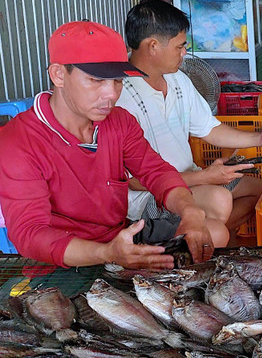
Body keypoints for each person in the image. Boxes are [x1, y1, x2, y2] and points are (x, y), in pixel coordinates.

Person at [0, 21, 220, 269]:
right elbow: (30, 234)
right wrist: (106, 253)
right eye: (96, 80)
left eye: (117, 81)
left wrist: (189, 211)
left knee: (212, 234)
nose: (111, 94)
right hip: (63, 260)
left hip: (118, 239)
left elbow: (156, 172)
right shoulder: (18, 142)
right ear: (59, 75)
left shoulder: (119, 121)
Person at [116, 0, 262, 242]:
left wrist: (259, 138)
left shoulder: (178, 80)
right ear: (152, 47)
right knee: (219, 202)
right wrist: (205, 178)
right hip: (150, 196)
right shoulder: (120, 96)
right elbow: (136, 182)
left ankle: (211, 235)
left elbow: (209, 128)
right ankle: (208, 237)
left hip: (191, 178)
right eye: (179, 46)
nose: (185, 53)